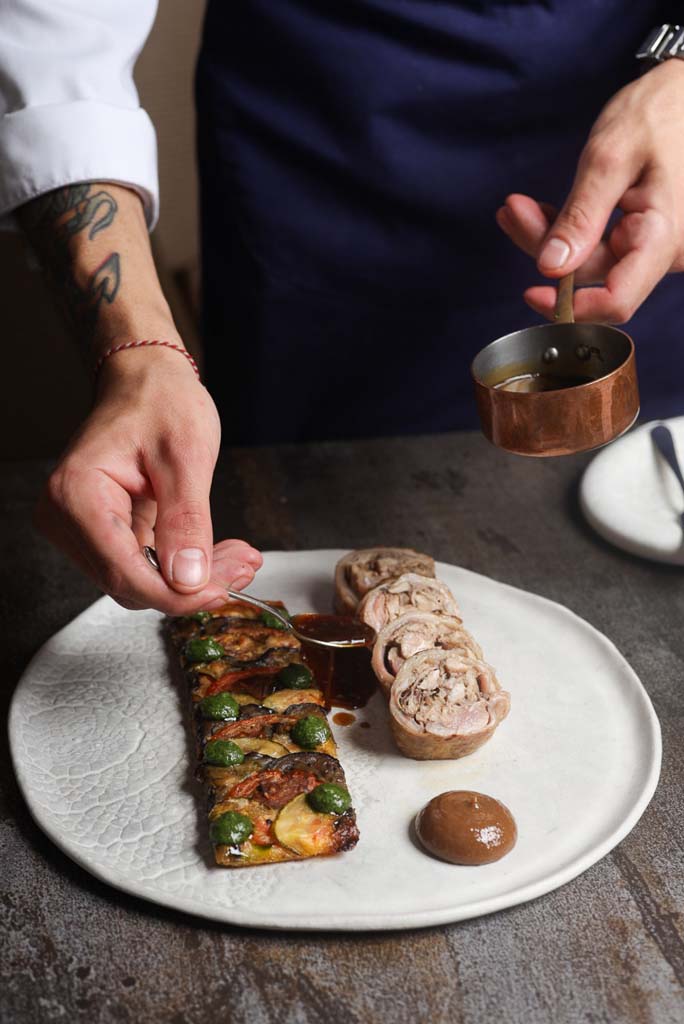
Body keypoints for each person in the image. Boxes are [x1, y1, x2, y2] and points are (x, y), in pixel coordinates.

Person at [1, 3, 683, 614]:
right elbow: (57, 44)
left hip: (643, 192)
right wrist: (139, 355)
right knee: (295, 537)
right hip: (321, 176)